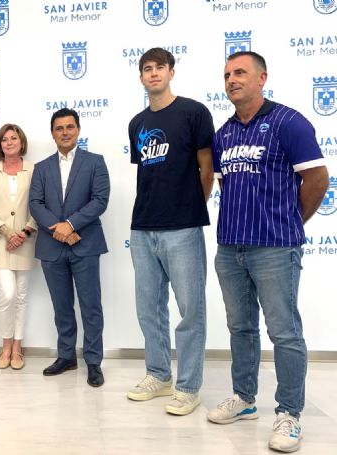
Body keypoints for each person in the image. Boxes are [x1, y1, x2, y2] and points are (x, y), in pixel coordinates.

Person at [207, 51, 329, 453]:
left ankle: (290, 413)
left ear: (262, 77)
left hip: (276, 247)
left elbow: (316, 178)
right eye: (227, 74)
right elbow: (226, 187)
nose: (232, 79)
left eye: (240, 72)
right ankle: (244, 399)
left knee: (284, 332)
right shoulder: (223, 133)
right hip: (231, 248)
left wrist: (291, 224)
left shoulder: (288, 122)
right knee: (240, 328)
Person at [126, 48, 214, 415]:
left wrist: (194, 207)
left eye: (159, 67)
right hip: (144, 226)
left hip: (183, 226)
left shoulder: (194, 112)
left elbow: (206, 166)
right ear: (142, 77)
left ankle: (189, 386)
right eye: (146, 69)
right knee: (149, 308)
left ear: (171, 72)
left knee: (190, 310)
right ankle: (159, 375)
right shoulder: (136, 123)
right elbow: (146, 174)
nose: (153, 74)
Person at [29, 108, 110, 387]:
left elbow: (100, 200)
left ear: (78, 130)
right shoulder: (41, 168)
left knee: (90, 307)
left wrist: (71, 225)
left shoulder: (95, 162)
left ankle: (93, 361)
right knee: (61, 307)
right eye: (59, 128)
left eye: (70, 127)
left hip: (85, 244)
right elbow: (35, 204)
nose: (65, 132)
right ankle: (66, 356)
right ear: (52, 133)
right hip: (52, 247)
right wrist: (60, 230)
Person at [0, 124, 38, 370]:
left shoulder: (34, 170)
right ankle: (5, 346)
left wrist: (24, 232)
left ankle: (17, 348)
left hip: (26, 240)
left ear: (21, 142)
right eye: (5, 139)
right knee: (8, 295)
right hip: (1, 241)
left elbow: (40, 204)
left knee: (22, 296)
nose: (9, 142)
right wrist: (7, 231)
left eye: (14, 138)